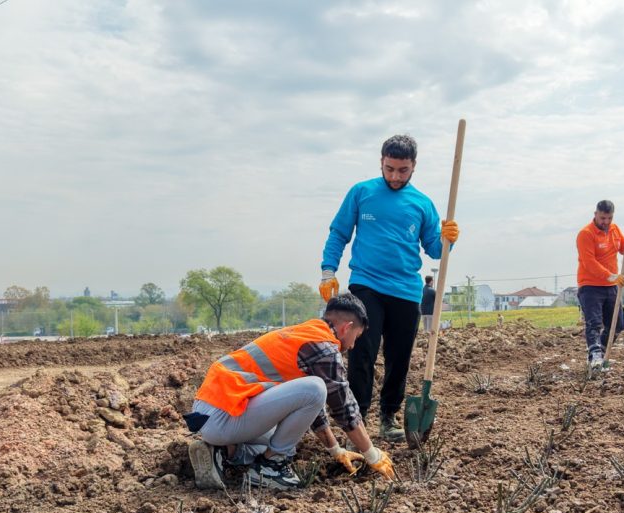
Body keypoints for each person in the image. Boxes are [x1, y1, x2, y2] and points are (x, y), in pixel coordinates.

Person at [319, 134, 460, 443]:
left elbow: (435, 251)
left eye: (403, 170)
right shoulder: (361, 192)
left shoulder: (422, 203)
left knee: (400, 356)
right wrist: (328, 270)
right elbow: (339, 232)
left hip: (407, 290)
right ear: (381, 162)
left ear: (414, 167)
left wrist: (448, 238)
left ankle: (389, 415)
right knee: (362, 352)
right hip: (366, 284)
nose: (395, 176)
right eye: (390, 168)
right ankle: (356, 417)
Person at [185, 294, 396, 491]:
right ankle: (270, 468)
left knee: (287, 443)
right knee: (314, 390)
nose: (353, 345)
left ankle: (224, 452)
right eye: (356, 336)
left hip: (212, 414)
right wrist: (372, 453)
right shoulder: (325, 347)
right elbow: (343, 406)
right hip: (225, 415)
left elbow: (310, 409)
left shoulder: (304, 335)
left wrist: (336, 450)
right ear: (346, 328)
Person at [576, 199, 624, 367]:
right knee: (594, 323)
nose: (606, 222)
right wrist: (610, 276)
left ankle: (601, 350)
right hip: (590, 285)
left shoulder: (615, 230)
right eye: (603, 218)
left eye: (609, 218)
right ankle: (594, 356)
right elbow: (589, 262)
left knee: (618, 324)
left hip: (611, 286)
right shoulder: (586, 234)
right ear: (595, 215)